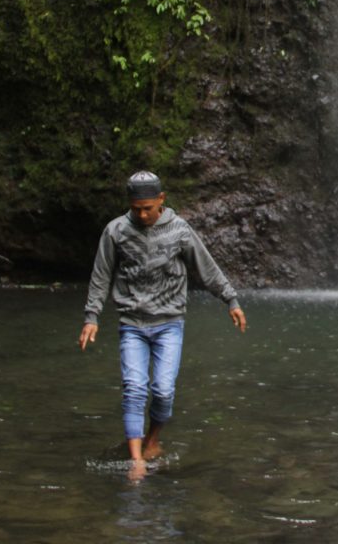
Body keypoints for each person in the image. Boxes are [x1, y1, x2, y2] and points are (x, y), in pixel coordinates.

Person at [78, 170, 247, 478]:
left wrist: (230, 300)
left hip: (170, 323)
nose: (142, 214)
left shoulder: (180, 230)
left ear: (161, 200)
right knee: (134, 388)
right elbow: (100, 276)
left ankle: (152, 440)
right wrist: (92, 318)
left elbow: (205, 268)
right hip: (132, 322)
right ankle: (136, 458)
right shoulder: (115, 231)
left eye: (148, 208)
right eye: (135, 208)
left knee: (164, 390)